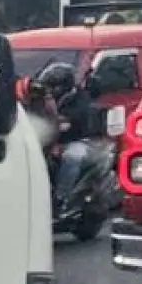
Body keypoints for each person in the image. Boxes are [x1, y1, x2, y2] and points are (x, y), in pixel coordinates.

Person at [37, 63, 94, 215]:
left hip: (75, 140)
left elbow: (80, 114)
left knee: (72, 157)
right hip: (48, 139)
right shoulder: (41, 98)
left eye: (53, 87)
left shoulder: (80, 97)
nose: (50, 90)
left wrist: (65, 120)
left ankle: (61, 197)